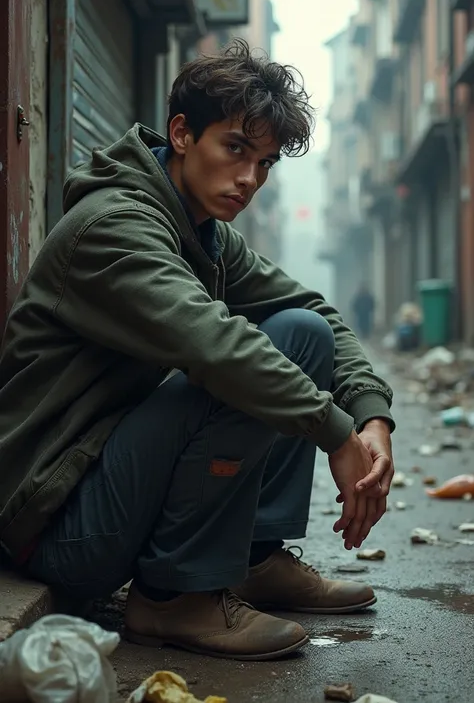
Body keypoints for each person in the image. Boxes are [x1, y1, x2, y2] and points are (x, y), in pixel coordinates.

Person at [0, 40, 395, 662]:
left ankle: (252, 560)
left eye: (264, 163)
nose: (248, 179)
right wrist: (337, 434)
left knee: (302, 334)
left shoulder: (204, 233)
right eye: (235, 149)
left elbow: (316, 313)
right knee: (245, 364)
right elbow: (217, 349)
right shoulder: (113, 227)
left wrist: (372, 414)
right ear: (181, 133)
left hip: (107, 483)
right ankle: (169, 598)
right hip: (54, 524)